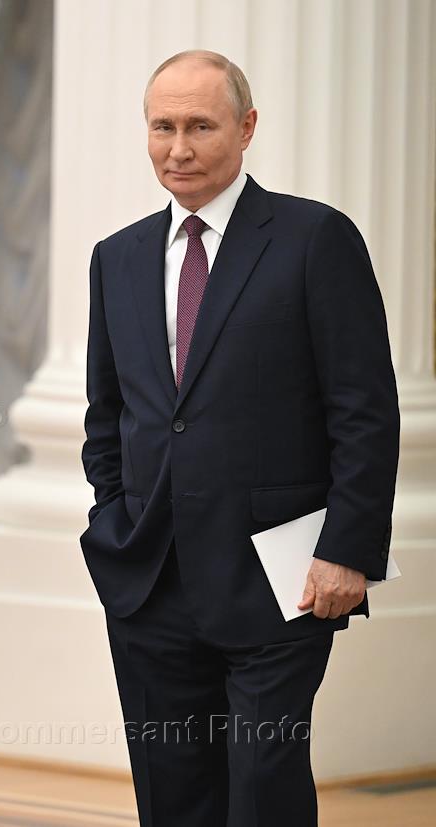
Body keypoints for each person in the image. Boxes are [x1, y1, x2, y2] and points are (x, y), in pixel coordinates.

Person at [80, 50, 398, 826]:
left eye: (200, 126)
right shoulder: (116, 257)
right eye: (162, 127)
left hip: (282, 578)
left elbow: (364, 408)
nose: (178, 149)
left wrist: (349, 547)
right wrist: (113, 518)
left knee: (263, 789)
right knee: (173, 797)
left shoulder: (315, 238)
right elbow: (107, 413)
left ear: (247, 127)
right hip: (149, 577)